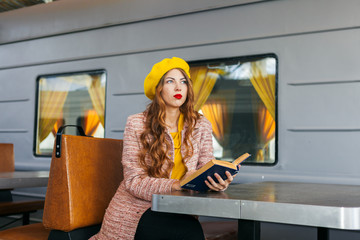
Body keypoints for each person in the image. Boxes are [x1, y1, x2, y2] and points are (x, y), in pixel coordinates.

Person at [90, 57, 235, 240]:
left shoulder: (201, 124)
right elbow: (134, 182)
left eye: (183, 81)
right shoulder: (137, 123)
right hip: (137, 210)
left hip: (179, 210)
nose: (178, 87)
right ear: (159, 89)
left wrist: (216, 181)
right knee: (187, 233)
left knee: (189, 231)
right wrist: (176, 184)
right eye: (170, 81)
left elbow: (205, 166)